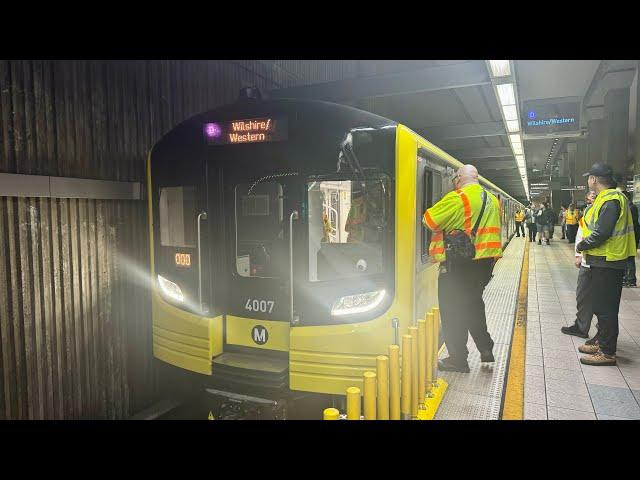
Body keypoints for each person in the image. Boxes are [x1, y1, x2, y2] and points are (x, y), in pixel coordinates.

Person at [423, 164, 502, 373]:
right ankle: (485, 347)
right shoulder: (493, 200)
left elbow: (429, 220)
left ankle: (458, 359)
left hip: (459, 264)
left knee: (452, 310)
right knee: (473, 303)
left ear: (458, 178)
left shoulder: (457, 197)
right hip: (485, 265)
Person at [575, 164, 637, 366]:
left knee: (606, 308)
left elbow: (602, 232)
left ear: (594, 179)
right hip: (605, 260)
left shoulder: (611, 200)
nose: (588, 181)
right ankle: (601, 341)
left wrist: (582, 244)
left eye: (589, 178)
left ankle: (607, 352)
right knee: (602, 305)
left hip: (609, 260)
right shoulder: (609, 198)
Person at [561, 191, 597, 339]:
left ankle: (601, 335)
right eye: (589, 197)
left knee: (600, 301)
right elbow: (581, 233)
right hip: (587, 260)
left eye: (593, 196)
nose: (590, 199)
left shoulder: (607, 209)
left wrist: (581, 249)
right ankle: (581, 326)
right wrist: (578, 254)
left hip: (599, 261)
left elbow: (599, 235)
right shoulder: (588, 212)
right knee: (582, 296)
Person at [623, 190, 639, 287]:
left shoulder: (631, 208)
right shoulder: (629, 207)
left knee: (629, 258)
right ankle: (626, 278)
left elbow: (630, 224)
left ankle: (631, 280)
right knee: (627, 258)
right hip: (629, 237)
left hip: (632, 237)